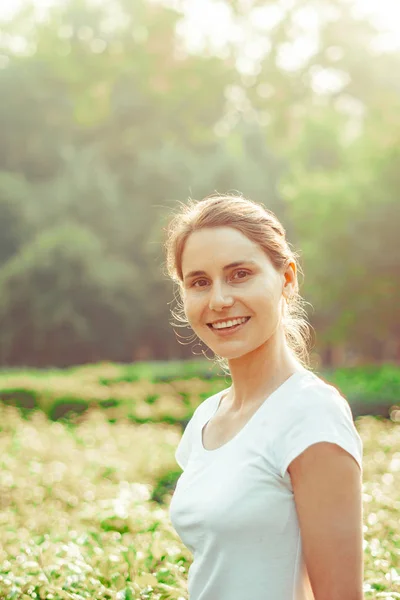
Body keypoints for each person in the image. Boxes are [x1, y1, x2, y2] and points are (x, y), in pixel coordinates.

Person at [165, 194, 364, 600]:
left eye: (239, 274)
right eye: (199, 282)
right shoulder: (206, 418)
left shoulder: (311, 414)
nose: (219, 300)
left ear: (286, 279)